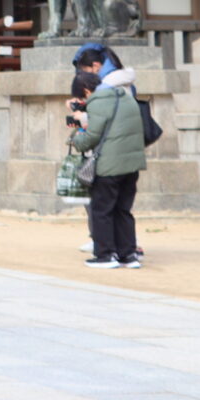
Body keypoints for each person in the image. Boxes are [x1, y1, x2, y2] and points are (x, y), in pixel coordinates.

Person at [72, 65, 147, 268]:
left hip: (109, 166)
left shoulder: (98, 103)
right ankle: (128, 255)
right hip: (132, 164)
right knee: (123, 210)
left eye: (83, 97)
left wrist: (75, 138)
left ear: (86, 91)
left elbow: (91, 137)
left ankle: (105, 255)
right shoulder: (126, 97)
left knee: (102, 210)